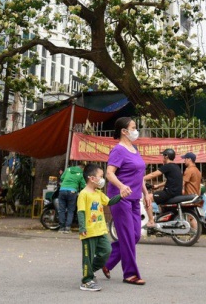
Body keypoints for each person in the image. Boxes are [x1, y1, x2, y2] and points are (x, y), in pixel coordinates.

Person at [103, 116, 148, 286]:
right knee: (128, 236)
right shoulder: (118, 150)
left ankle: (106, 261)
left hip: (135, 198)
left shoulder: (134, 149)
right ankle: (130, 274)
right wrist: (121, 186)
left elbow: (140, 175)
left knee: (135, 235)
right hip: (120, 198)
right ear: (124, 131)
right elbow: (109, 174)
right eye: (133, 127)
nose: (136, 130)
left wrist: (146, 193)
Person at [77, 163, 122, 292]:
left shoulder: (98, 193)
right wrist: (82, 228)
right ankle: (86, 281)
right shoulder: (83, 194)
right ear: (92, 178)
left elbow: (109, 202)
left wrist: (121, 196)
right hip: (89, 231)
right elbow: (81, 212)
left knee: (107, 251)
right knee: (88, 256)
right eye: (101, 176)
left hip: (101, 230)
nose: (103, 179)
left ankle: (89, 271)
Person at [143, 148, 182, 227]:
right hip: (176, 193)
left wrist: (141, 178)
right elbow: (170, 180)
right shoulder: (176, 167)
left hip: (169, 193)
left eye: (163, 156)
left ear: (166, 156)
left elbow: (153, 175)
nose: (162, 158)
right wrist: (158, 186)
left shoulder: (168, 166)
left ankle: (151, 221)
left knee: (148, 198)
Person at [58, 162, 86, 233]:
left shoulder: (68, 169)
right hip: (72, 191)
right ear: (82, 168)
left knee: (61, 210)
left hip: (62, 190)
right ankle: (67, 228)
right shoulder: (81, 174)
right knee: (71, 210)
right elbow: (83, 185)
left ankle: (61, 228)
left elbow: (62, 177)